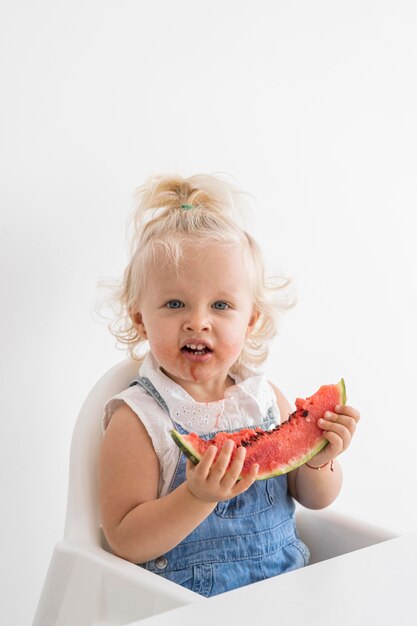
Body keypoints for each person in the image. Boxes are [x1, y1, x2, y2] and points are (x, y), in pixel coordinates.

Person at [99, 173, 360, 597]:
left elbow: (315, 500)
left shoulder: (264, 400)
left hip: (285, 594)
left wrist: (319, 458)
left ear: (251, 320)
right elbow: (125, 540)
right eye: (174, 303)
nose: (198, 320)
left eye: (221, 305)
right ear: (139, 319)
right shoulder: (138, 419)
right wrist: (197, 496)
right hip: (188, 607)